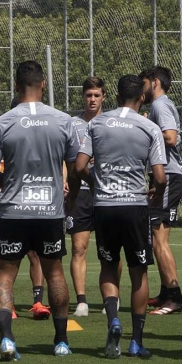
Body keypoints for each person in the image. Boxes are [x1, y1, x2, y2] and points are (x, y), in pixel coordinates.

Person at [0, 60, 80, 360]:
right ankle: (61, 342)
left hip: (12, 211)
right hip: (49, 212)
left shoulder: (3, 122)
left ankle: (7, 340)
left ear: (16, 86)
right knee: (55, 274)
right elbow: (75, 169)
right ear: (43, 85)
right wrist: (70, 199)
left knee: (5, 277)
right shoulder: (64, 121)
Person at [73, 74, 166, 358]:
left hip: (104, 206)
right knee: (139, 273)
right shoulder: (149, 127)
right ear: (142, 98)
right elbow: (161, 177)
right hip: (135, 206)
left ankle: (113, 319)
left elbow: (79, 167)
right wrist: (156, 194)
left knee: (108, 266)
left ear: (114, 96)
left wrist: (96, 181)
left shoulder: (97, 124)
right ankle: (136, 340)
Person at [140, 66, 182, 315]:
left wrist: (146, 126)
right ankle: (166, 293)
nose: (141, 89)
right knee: (157, 237)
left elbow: (170, 137)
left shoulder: (160, 105)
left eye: (144, 83)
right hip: (165, 175)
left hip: (168, 176)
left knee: (159, 239)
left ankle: (175, 296)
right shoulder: (159, 106)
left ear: (154, 82)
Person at [68, 77, 105, 317]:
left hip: (104, 193)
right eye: (88, 95)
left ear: (103, 96)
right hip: (79, 194)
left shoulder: (110, 123)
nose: (92, 99)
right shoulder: (71, 124)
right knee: (78, 248)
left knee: (108, 249)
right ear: (83, 96)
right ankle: (81, 301)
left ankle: (110, 299)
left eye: (96, 95)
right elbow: (65, 158)